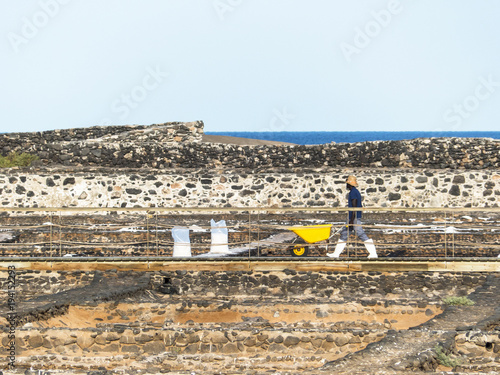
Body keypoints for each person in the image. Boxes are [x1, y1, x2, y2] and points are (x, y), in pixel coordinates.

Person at [327, 175, 377, 258]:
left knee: (361, 234)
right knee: (344, 234)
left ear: (350, 184)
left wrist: (351, 220)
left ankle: (373, 254)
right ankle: (336, 254)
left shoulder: (353, 192)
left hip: (354, 217)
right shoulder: (354, 191)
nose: (346, 185)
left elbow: (354, 206)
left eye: (347, 184)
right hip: (352, 217)